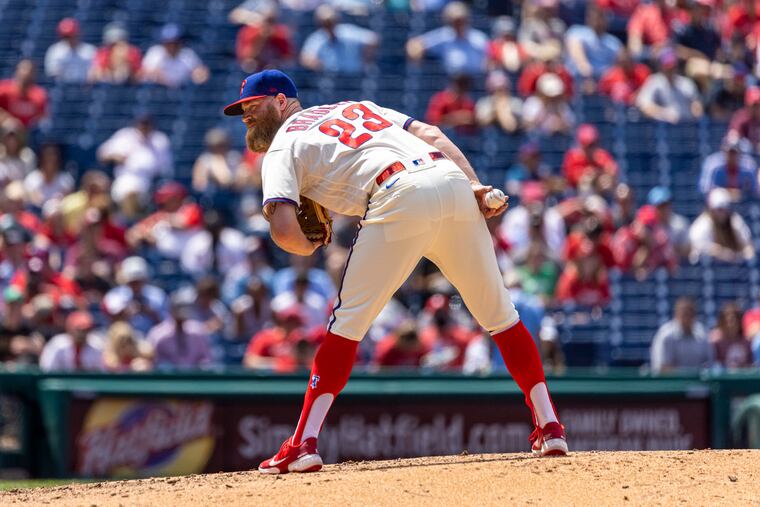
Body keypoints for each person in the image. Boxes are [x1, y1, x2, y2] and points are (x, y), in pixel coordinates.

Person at [223, 69, 568, 472]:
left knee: (346, 323)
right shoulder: (353, 106)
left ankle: (303, 443)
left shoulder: (283, 144)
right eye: (242, 110)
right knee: (501, 317)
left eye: (252, 105)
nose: (246, 114)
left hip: (397, 194)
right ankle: (549, 425)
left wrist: (310, 242)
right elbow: (431, 132)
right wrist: (474, 185)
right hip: (449, 180)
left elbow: (284, 230)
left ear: (281, 101)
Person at [96, 113, 173, 205]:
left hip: (147, 181)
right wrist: (115, 156)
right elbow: (102, 154)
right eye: (142, 124)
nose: (144, 127)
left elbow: (165, 168)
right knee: (125, 193)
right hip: (123, 178)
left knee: (137, 196)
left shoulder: (159, 140)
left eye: (147, 124)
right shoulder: (125, 136)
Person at [405, 1, 488, 77]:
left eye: (461, 20)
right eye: (455, 21)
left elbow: (491, 58)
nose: (459, 24)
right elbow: (415, 44)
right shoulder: (444, 36)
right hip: (452, 84)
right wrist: (417, 58)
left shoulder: (478, 38)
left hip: (476, 84)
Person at [300, 5, 378, 75]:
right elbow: (305, 58)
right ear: (319, 23)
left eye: (330, 21)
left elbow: (373, 39)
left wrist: (364, 59)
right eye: (325, 22)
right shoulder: (317, 38)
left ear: (336, 20)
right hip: (330, 80)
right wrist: (322, 66)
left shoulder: (348, 32)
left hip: (355, 77)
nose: (329, 24)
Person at [564, 5, 622, 92]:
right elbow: (578, 57)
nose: (598, 20)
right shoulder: (577, 32)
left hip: (604, 82)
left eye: (601, 17)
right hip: (578, 80)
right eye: (595, 16)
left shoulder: (613, 42)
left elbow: (618, 65)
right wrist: (588, 75)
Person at [689, 188, 755, 263]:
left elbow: (748, 246)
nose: (722, 213)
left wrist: (747, 256)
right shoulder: (702, 224)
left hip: (733, 270)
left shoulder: (735, 220)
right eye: (719, 209)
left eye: (724, 209)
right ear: (711, 209)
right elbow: (697, 248)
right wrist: (719, 252)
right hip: (707, 270)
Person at [148, 290, 212, 369]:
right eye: (178, 308)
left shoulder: (197, 330)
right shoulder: (158, 333)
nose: (182, 312)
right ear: (171, 309)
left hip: (194, 377)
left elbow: (205, 357)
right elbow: (153, 359)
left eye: (185, 308)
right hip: (168, 378)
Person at [636, 50, 703, 124]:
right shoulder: (654, 82)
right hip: (661, 129)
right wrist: (664, 114)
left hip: (685, 127)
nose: (670, 69)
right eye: (667, 66)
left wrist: (696, 111)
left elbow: (696, 106)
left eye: (672, 66)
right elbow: (643, 105)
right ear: (661, 66)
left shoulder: (686, 83)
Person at [612, 204, 677, 279]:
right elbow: (622, 269)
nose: (648, 231)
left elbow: (672, 266)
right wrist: (645, 250)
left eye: (651, 227)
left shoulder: (660, 239)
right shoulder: (625, 237)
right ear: (638, 223)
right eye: (646, 226)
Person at [650, 297, 713, 373]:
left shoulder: (703, 334)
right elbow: (662, 368)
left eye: (690, 314)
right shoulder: (665, 336)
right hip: (669, 382)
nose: (686, 318)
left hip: (697, 383)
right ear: (676, 315)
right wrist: (687, 374)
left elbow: (709, 365)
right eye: (683, 314)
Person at [141, 24, 209, 87]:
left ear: (180, 42)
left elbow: (201, 72)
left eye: (175, 43)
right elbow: (144, 72)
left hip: (182, 92)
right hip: (158, 92)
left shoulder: (188, 55)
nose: (172, 46)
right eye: (169, 43)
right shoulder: (155, 52)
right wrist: (163, 79)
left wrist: (197, 76)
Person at [561, 123, 618, 194]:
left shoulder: (601, 155)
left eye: (593, 144)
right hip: (577, 195)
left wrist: (599, 173)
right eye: (587, 145)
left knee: (606, 180)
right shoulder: (573, 157)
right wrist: (588, 173)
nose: (591, 148)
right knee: (586, 182)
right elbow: (571, 178)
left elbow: (612, 170)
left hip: (600, 193)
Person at [236, 4, 293, 73]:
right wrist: (261, 38)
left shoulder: (280, 33)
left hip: (274, 67)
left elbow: (288, 58)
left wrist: (275, 63)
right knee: (250, 64)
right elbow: (247, 56)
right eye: (267, 21)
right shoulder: (250, 32)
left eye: (272, 21)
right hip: (255, 67)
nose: (269, 24)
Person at [39, 311, 103, 372]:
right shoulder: (57, 344)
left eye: (86, 329)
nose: (83, 333)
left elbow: (102, 373)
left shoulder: (97, 346)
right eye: (79, 329)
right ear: (69, 329)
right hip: (61, 382)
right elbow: (47, 370)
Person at [44, 18, 96, 83]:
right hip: (63, 89)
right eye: (66, 36)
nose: (69, 39)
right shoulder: (55, 50)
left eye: (71, 35)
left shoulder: (89, 50)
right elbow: (53, 74)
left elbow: (94, 72)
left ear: (78, 33)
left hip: (85, 88)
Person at [0, 60, 48, 129]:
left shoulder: (39, 95)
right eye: (23, 69)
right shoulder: (4, 89)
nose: (26, 73)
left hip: (27, 133)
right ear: (17, 71)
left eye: (30, 72)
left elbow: (41, 117)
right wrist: (6, 119)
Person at [192, 128, 243, 192]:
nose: (220, 149)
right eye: (217, 145)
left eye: (222, 145)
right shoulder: (204, 160)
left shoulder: (234, 157)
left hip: (234, 194)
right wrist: (211, 177)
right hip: (211, 197)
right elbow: (198, 185)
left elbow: (242, 181)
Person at [23, 143, 74, 207]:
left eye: (53, 155)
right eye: (47, 155)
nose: (50, 158)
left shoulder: (66, 180)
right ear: (41, 158)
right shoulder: (31, 179)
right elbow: (31, 202)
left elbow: (70, 203)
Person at [647, 186, 690, 258]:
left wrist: (668, 248)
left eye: (665, 205)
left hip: (678, 266)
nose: (664, 209)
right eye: (660, 206)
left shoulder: (680, 224)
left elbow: (688, 250)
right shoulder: (648, 225)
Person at [710, 302, 753, 369]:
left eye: (734, 321)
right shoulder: (717, 342)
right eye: (728, 321)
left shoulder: (747, 343)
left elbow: (750, 365)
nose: (731, 325)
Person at [728, 87, 760, 152]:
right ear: (747, 105)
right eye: (753, 105)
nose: (755, 108)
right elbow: (733, 136)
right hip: (744, 156)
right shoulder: (741, 117)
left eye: (758, 105)